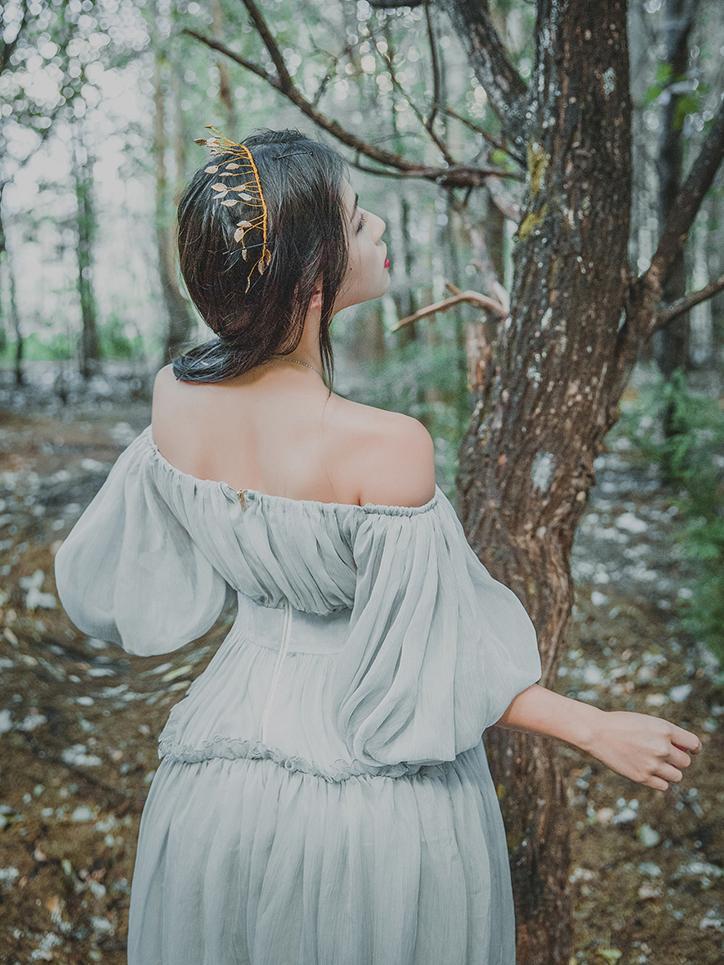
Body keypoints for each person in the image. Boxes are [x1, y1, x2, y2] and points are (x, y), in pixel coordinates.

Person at [53, 127, 702, 965]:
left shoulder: (173, 396)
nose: (382, 229)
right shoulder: (385, 446)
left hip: (214, 781)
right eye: (360, 221)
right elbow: (433, 658)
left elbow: (131, 576)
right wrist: (596, 727)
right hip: (368, 797)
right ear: (312, 278)